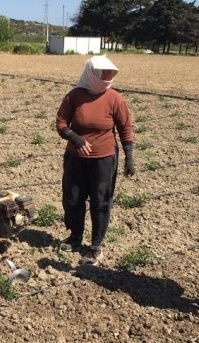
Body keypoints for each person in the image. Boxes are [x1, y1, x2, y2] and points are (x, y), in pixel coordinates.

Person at [56, 55, 135, 266]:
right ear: (91, 73)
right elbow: (61, 123)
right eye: (103, 73)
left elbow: (125, 127)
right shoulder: (74, 96)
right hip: (75, 159)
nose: (107, 77)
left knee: (100, 202)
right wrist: (75, 138)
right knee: (72, 200)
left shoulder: (114, 98)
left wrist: (129, 157)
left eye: (110, 73)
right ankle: (75, 237)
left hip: (104, 160)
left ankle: (96, 246)